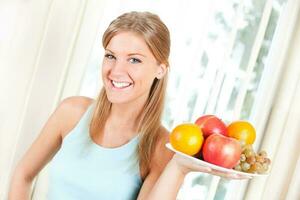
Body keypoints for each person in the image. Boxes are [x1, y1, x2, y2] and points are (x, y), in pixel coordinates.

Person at [8, 11, 249, 200]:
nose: (116, 71)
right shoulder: (71, 113)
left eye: (134, 59)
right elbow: (23, 175)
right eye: (111, 56)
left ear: (160, 69)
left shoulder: (160, 148)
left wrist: (179, 168)